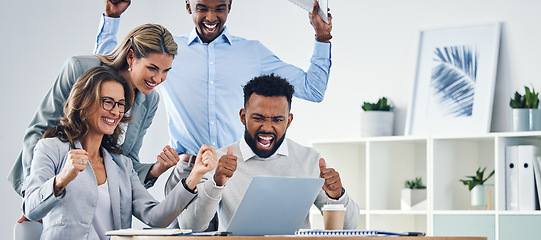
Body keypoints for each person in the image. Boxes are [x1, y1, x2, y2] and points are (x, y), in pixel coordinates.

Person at [95, 0, 333, 162]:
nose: (211, 17)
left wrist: (322, 37)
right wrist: (112, 17)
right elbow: (109, 72)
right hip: (187, 172)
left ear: (230, 6)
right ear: (188, 6)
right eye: (202, 8)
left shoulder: (253, 53)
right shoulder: (168, 53)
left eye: (220, 8)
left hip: (237, 170)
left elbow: (313, 89)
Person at [23, 66, 218, 240]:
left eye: (121, 104)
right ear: (84, 101)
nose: (116, 112)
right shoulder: (50, 148)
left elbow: (156, 217)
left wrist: (195, 176)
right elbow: (31, 210)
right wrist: (62, 179)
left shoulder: (121, 165)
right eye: (108, 102)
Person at [166, 74, 359, 231]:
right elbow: (191, 226)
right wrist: (216, 183)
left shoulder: (309, 160)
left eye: (277, 120)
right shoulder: (218, 161)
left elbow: (349, 227)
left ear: (289, 120)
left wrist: (337, 195)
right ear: (243, 116)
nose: (267, 128)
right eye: (258, 118)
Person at [9, 23, 179, 198]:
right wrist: (36, 194)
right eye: (152, 68)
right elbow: (39, 131)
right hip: (56, 183)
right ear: (130, 56)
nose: (158, 79)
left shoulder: (150, 100)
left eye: (165, 71)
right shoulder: (80, 69)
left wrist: (154, 170)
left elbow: (126, 161)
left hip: (100, 194)